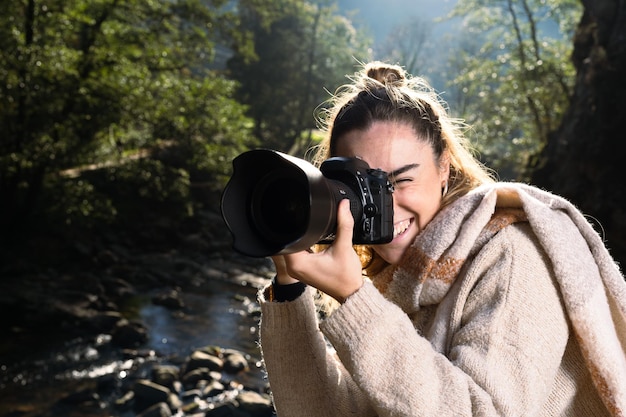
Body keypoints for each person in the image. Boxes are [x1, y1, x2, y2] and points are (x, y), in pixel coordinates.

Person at [256, 61, 626, 416]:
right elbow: (324, 412)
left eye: (402, 181)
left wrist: (355, 300)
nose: (386, 206)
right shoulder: (396, 279)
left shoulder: (511, 256)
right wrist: (289, 286)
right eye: (364, 188)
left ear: (444, 167)